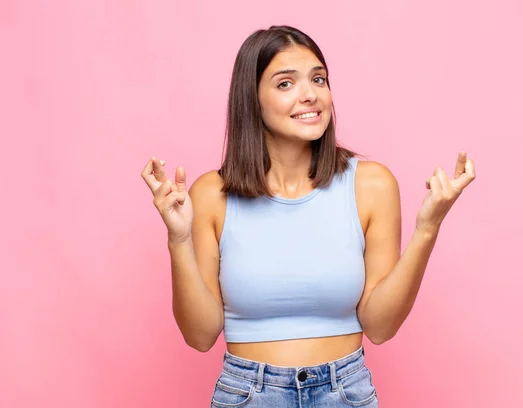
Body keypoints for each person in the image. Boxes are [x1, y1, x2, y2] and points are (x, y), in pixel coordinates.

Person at [141, 25, 475, 407]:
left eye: (319, 79)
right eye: (285, 84)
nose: (310, 95)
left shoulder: (371, 185)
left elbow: (380, 327)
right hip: (248, 395)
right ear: (253, 99)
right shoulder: (211, 195)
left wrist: (427, 229)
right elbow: (199, 337)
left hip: (344, 392)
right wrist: (179, 240)